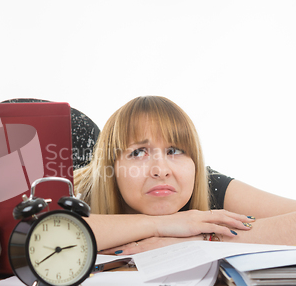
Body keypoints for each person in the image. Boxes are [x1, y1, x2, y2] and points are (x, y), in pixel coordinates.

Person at [74, 96, 296, 255]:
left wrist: (201, 240)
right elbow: (41, 231)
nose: (161, 170)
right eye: (138, 152)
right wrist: (161, 225)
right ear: (111, 168)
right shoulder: (76, 188)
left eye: (175, 151)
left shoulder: (208, 184)